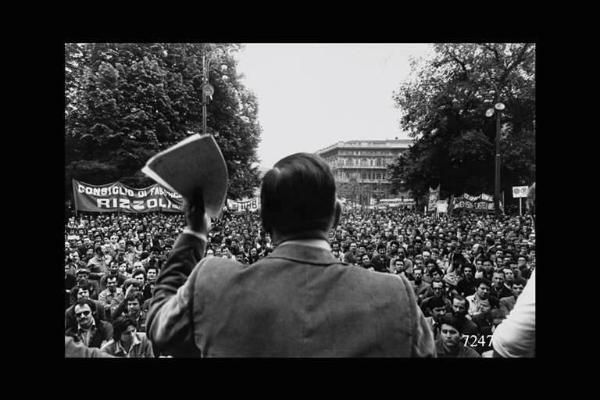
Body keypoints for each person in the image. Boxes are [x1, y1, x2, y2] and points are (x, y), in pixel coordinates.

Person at [146, 153, 435, 357]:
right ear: (336, 215)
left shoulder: (212, 282)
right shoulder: (395, 297)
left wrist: (195, 233)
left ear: (264, 220)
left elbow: (159, 326)